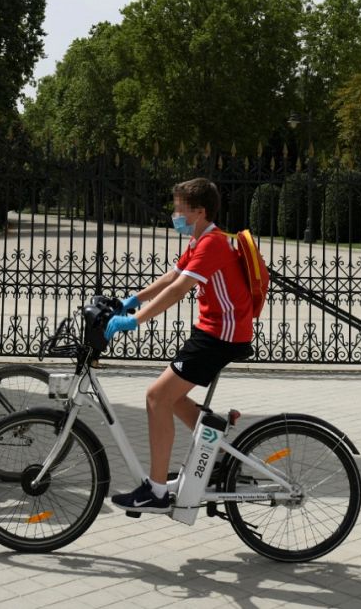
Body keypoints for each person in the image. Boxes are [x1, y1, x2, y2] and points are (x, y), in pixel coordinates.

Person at [103, 177, 254, 514]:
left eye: (179, 209)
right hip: (213, 332)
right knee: (171, 397)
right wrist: (131, 300)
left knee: (157, 396)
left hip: (221, 336)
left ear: (199, 211)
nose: (175, 215)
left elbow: (178, 290)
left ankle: (156, 491)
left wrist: (135, 320)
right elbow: (171, 276)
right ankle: (219, 452)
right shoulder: (200, 240)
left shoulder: (212, 243)